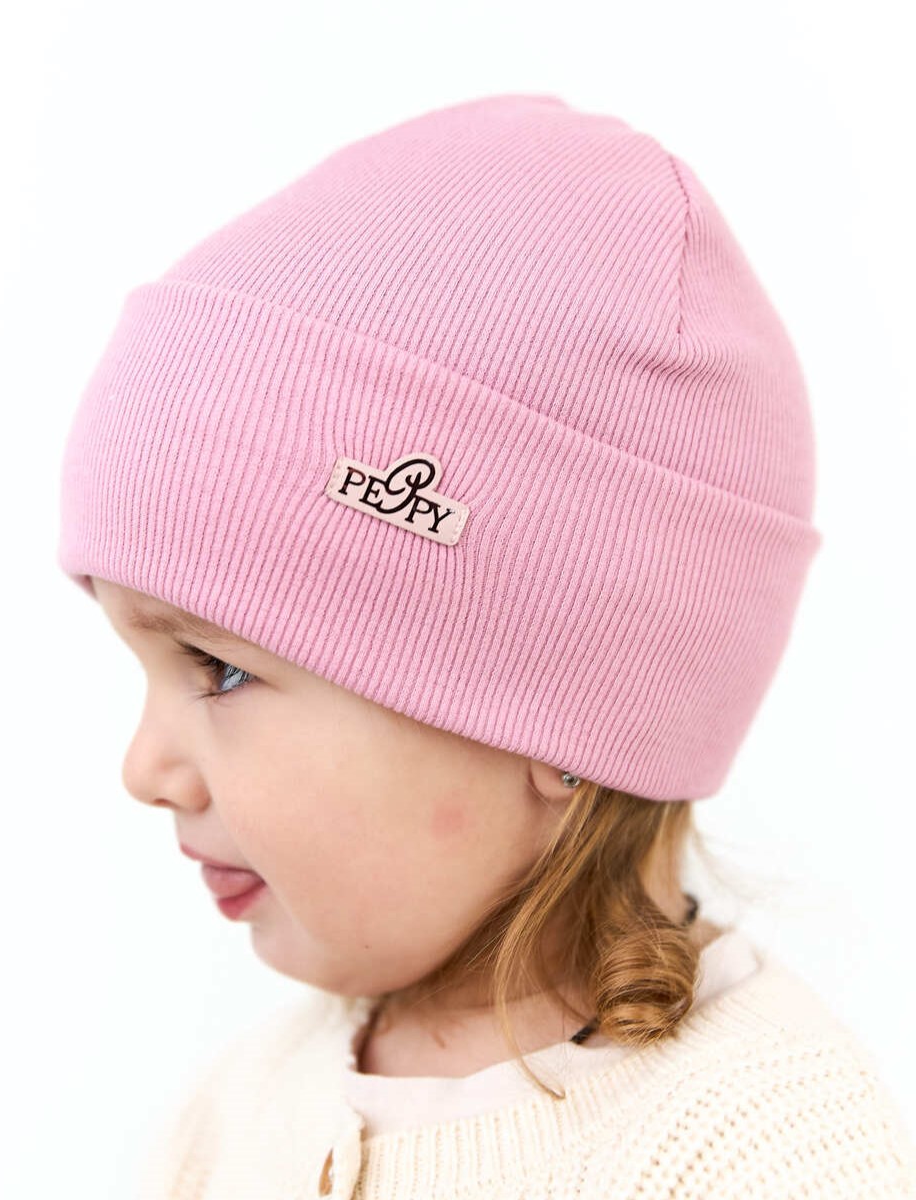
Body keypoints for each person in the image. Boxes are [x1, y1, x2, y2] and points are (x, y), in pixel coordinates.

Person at [57, 94, 916, 1198]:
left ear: (568, 717)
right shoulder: (246, 1105)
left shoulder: (765, 1151)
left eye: (219, 669)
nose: (145, 769)